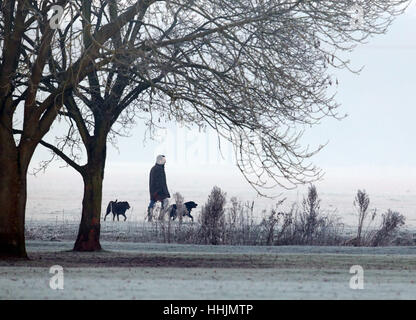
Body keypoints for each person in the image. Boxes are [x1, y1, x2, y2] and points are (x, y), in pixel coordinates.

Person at [147, 155, 170, 221]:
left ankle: (152, 217)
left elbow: (162, 182)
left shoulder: (158, 168)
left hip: (157, 190)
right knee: (164, 202)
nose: (165, 161)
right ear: (159, 160)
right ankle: (159, 217)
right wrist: (158, 191)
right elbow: (157, 182)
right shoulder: (157, 169)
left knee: (154, 202)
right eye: (163, 160)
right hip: (158, 191)